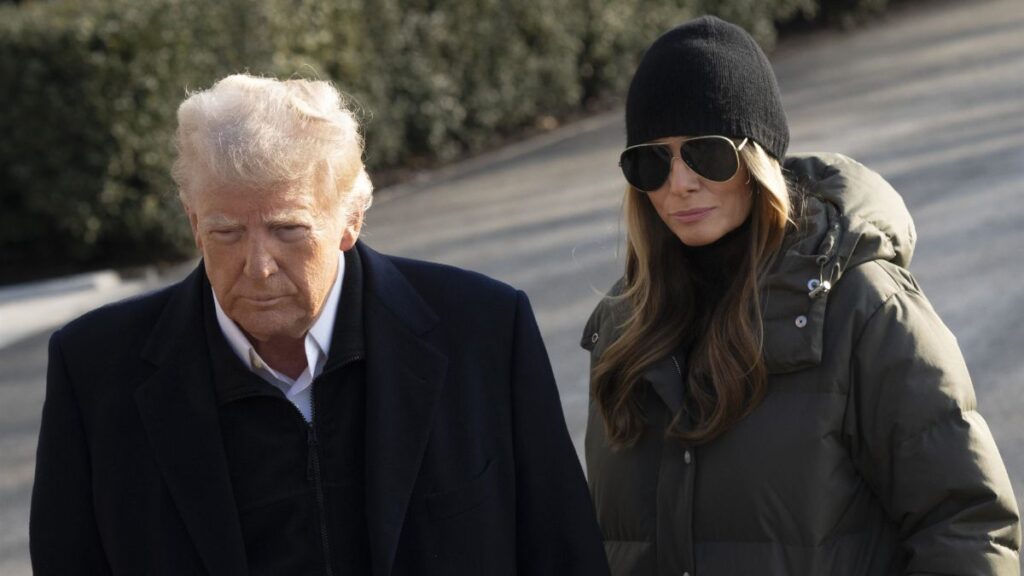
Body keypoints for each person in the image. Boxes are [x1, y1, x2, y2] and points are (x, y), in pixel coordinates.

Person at [30, 74, 610, 575]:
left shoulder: (482, 332)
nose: (257, 267)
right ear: (192, 222)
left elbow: (562, 553)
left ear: (349, 220)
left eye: (288, 230)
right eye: (226, 232)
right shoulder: (95, 373)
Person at [581, 16, 1020, 576]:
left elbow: (967, 526)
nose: (679, 182)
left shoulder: (863, 308)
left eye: (705, 153)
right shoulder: (623, 330)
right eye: (651, 160)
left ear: (756, 159)